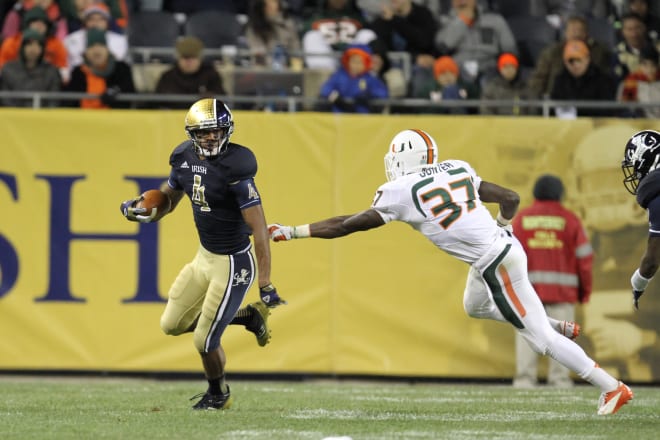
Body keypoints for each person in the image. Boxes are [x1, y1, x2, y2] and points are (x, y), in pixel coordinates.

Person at [268, 128, 633, 415]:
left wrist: (295, 231)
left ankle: (611, 386)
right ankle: (552, 322)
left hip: (494, 260)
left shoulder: (399, 189)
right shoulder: (457, 168)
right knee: (474, 305)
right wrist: (503, 227)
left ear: (401, 159)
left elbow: (350, 223)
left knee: (540, 341)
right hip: (499, 251)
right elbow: (510, 198)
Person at [119, 98, 286, 410]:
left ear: (227, 131)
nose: (211, 137)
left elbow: (259, 229)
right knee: (172, 324)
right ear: (191, 134)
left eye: (217, 131)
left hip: (234, 262)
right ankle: (248, 318)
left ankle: (218, 394)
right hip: (205, 256)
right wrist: (144, 210)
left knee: (205, 340)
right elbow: (168, 200)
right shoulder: (182, 157)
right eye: (204, 132)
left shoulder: (238, 165)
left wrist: (265, 282)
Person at [511, 175, 593, 389]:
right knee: (562, 340)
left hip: (527, 293)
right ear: (560, 194)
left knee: (526, 336)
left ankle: (524, 380)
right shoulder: (571, 220)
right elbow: (584, 260)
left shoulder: (522, 219)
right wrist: (584, 292)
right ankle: (560, 381)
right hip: (562, 293)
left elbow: (509, 255)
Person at [527, 15, 613, 99]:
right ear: (565, 33)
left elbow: (605, 80)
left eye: (580, 30)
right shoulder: (552, 53)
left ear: (586, 33)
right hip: (558, 99)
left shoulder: (599, 52)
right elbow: (539, 79)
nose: (576, 34)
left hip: (590, 100)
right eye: (573, 30)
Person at [434, 0, 517, 84]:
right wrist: (462, 21)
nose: (461, 1)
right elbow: (442, 47)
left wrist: (506, 63)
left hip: (490, 67)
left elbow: (510, 49)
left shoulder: (495, 20)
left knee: (491, 82)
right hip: (457, 69)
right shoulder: (444, 21)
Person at [64, 28, 134, 108]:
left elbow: (130, 89)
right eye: (92, 47)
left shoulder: (121, 69)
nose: (97, 51)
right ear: (85, 52)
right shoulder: (78, 72)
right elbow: (69, 100)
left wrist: (116, 90)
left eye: (101, 46)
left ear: (108, 50)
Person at [550, 39, 617, 118]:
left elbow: (608, 110)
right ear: (564, 62)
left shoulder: (602, 80)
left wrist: (577, 112)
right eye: (570, 61)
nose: (575, 64)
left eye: (579, 60)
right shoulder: (560, 80)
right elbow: (552, 108)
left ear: (588, 59)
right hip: (566, 127)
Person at [153, 36, 226, 109]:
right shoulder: (168, 77)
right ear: (178, 58)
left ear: (200, 58)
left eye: (193, 57)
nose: (189, 62)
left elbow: (223, 101)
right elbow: (156, 103)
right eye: (185, 57)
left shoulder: (211, 75)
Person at [63, 3, 128, 79]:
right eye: (91, 19)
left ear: (107, 22)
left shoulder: (119, 40)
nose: (96, 22)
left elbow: (116, 63)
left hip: (111, 78)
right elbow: (70, 64)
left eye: (101, 19)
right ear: (85, 22)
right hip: (79, 78)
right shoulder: (71, 39)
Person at [318, 44, 389, 113]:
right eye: (353, 61)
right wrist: (337, 99)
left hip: (362, 118)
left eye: (360, 62)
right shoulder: (339, 76)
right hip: (339, 115)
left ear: (366, 64)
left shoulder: (370, 79)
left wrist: (368, 97)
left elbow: (381, 95)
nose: (356, 65)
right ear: (347, 62)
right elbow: (326, 90)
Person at [0, 27, 62, 107]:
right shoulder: (8, 69)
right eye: (29, 44)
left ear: (42, 49)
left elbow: (53, 100)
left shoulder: (51, 71)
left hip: (43, 117)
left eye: (38, 45)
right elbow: (5, 98)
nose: (33, 49)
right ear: (22, 47)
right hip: (13, 117)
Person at [410, 54, 479, 114]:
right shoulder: (428, 89)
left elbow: (477, 107)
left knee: (451, 90)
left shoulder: (467, 87)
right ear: (437, 76)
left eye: (451, 73)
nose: (447, 77)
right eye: (443, 74)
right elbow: (419, 110)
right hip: (436, 121)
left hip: (465, 122)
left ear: (456, 75)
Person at [244, 0, 302, 69]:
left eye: (273, 2)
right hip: (263, 70)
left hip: (287, 69)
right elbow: (257, 53)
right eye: (267, 3)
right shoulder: (254, 27)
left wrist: (295, 68)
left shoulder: (288, 24)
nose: (271, 5)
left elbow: (295, 48)